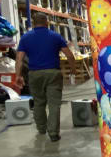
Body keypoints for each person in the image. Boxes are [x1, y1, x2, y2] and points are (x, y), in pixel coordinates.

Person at [15, 13, 74, 141]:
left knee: (39, 102)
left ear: (33, 23)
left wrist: (18, 76)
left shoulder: (25, 37)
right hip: (53, 73)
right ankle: (53, 133)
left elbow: (19, 59)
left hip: (34, 74)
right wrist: (72, 69)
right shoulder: (55, 36)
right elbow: (69, 55)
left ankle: (42, 129)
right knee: (54, 104)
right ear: (46, 22)